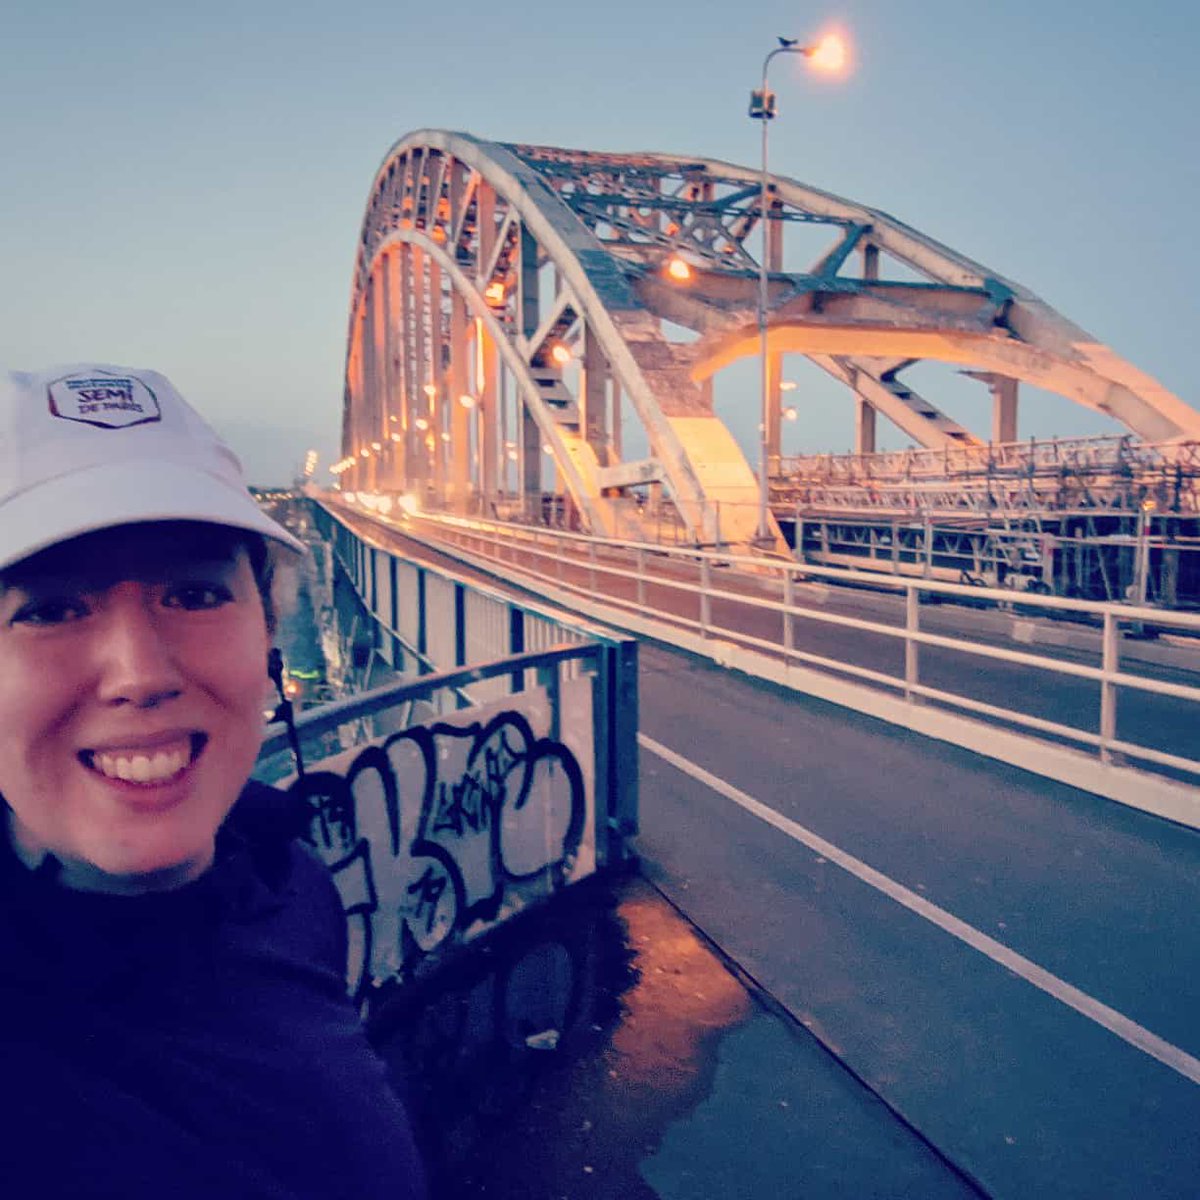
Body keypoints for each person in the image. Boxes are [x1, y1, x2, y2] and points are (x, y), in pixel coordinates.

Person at [0, 364, 427, 1199]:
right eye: (50, 608)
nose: (139, 674)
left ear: (268, 633)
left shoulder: (287, 878)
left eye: (193, 593)